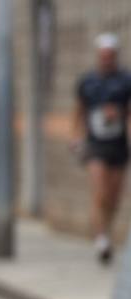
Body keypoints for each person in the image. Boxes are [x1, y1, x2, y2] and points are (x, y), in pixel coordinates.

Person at [75, 32, 131, 265]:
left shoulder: (126, 81)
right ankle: (101, 239)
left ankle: (106, 230)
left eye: (110, 56)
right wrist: (76, 137)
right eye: (103, 56)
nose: (107, 59)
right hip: (95, 143)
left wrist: (118, 114)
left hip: (117, 143)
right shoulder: (87, 82)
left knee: (114, 196)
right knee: (100, 192)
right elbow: (78, 112)